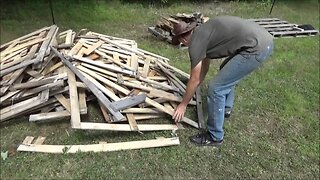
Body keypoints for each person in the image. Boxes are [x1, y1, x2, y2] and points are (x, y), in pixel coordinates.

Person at [171, 16, 274, 147]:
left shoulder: (195, 43)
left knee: (216, 88)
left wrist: (183, 104)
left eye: (180, 41)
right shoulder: (203, 31)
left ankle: (214, 136)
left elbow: (195, 78)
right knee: (225, 71)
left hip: (256, 48)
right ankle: (225, 108)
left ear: (183, 39)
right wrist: (197, 81)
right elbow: (204, 68)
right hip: (263, 38)